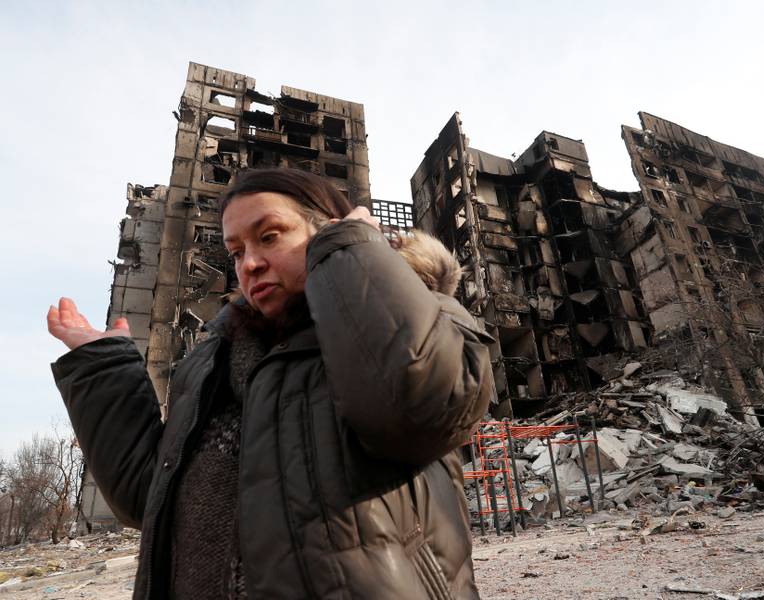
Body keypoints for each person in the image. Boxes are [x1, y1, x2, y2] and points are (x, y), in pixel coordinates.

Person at [48, 168, 494, 599]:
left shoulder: (423, 314)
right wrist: (104, 370)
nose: (250, 265)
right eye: (237, 251)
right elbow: (147, 499)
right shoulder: (215, 359)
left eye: (269, 236)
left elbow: (420, 409)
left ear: (330, 230)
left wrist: (349, 250)